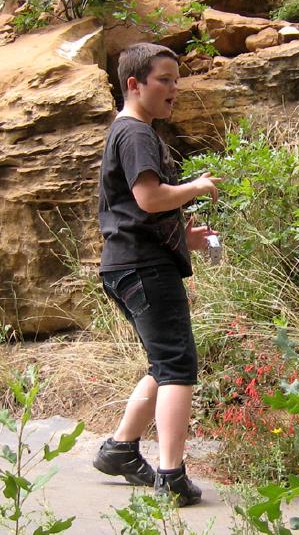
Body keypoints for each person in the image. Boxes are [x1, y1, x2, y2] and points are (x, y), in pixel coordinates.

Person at [93, 42, 221, 507]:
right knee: (177, 369)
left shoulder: (128, 133)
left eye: (175, 78)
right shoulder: (137, 133)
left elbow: (131, 209)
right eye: (164, 79)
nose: (174, 87)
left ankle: (120, 450)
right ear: (135, 84)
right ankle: (171, 476)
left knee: (164, 363)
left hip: (128, 263)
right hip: (143, 268)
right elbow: (149, 198)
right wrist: (195, 187)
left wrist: (182, 237)